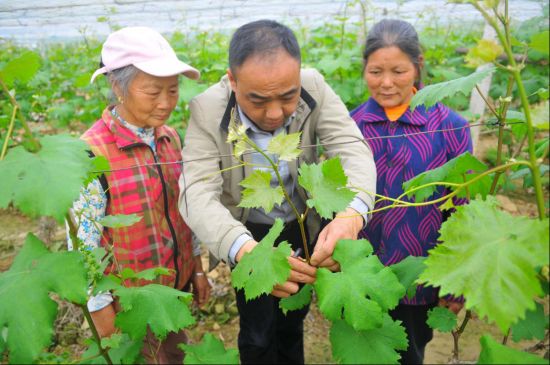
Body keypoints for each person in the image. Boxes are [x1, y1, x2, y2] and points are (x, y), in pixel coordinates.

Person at [178, 19, 377, 364]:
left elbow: (351, 148)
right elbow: (196, 192)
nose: (274, 113)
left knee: (292, 316)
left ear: (299, 77)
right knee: (256, 329)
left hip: (299, 223)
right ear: (232, 80)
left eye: (288, 97)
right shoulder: (207, 109)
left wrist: (352, 214)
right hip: (246, 233)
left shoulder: (314, 85)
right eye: (257, 101)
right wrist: (244, 251)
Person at [67, 26, 210, 364]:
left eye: (173, 90)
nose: (166, 102)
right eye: (152, 91)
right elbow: (84, 243)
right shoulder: (91, 153)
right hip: (125, 302)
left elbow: (185, 210)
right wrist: (102, 314)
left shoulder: (170, 137)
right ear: (117, 86)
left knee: (173, 353)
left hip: (172, 289)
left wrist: (198, 270)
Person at [351, 19, 469, 364]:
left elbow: (459, 209)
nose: (386, 83)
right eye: (376, 72)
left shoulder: (450, 127)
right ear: (364, 69)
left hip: (420, 276)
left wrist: (454, 278)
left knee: (409, 352)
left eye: (398, 71)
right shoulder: (350, 125)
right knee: (366, 351)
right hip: (365, 271)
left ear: (418, 66)